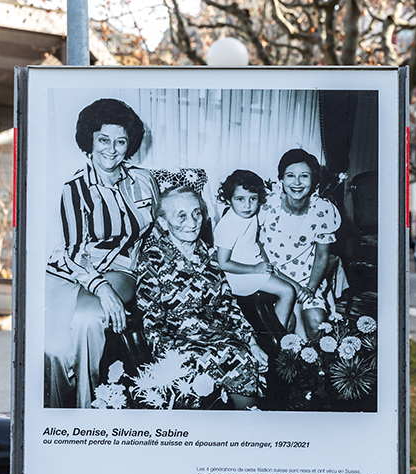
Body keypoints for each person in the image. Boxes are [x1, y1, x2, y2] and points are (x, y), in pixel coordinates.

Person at [44, 98, 159, 408]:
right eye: (103, 139)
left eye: (120, 141)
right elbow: (75, 251)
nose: (112, 149)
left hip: (121, 269)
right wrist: (101, 288)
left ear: (130, 144)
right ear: (89, 141)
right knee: (52, 349)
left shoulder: (145, 182)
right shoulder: (75, 188)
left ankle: (88, 408)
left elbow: (157, 229)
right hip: (70, 272)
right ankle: (57, 416)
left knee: (87, 319)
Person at [135, 187, 265, 409]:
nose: (192, 222)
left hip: (220, 338)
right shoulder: (152, 259)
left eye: (196, 213)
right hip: (177, 343)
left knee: (243, 357)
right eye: (181, 216)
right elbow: (151, 319)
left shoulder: (209, 254)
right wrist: (167, 357)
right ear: (163, 223)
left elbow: (227, 305)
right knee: (197, 376)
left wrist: (251, 342)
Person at [258, 148, 343, 341]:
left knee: (317, 322)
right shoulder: (267, 205)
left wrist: (311, 288)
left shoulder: (323, 210)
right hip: (274, 277)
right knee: (286, 325)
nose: (296, 183)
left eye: (304, 176)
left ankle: (314, 367)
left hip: (307, 281)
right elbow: (256, 244)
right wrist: (290, 284)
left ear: (314, 181)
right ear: (281, 179)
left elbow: (322, 256)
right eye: (290, 175)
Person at [213, 169, 297, 329]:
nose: (247, 205)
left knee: (291, 310)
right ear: (229, 200)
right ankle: (278, 343)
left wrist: (264, 263)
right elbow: (223, 264)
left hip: (253, 267)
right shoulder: (227, 225)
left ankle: (281, 333)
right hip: (238, 275)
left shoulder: (251, 216)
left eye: (253, 199)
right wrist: (256, 268)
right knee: (288, 291)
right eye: (240, 199)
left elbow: (254, 242)